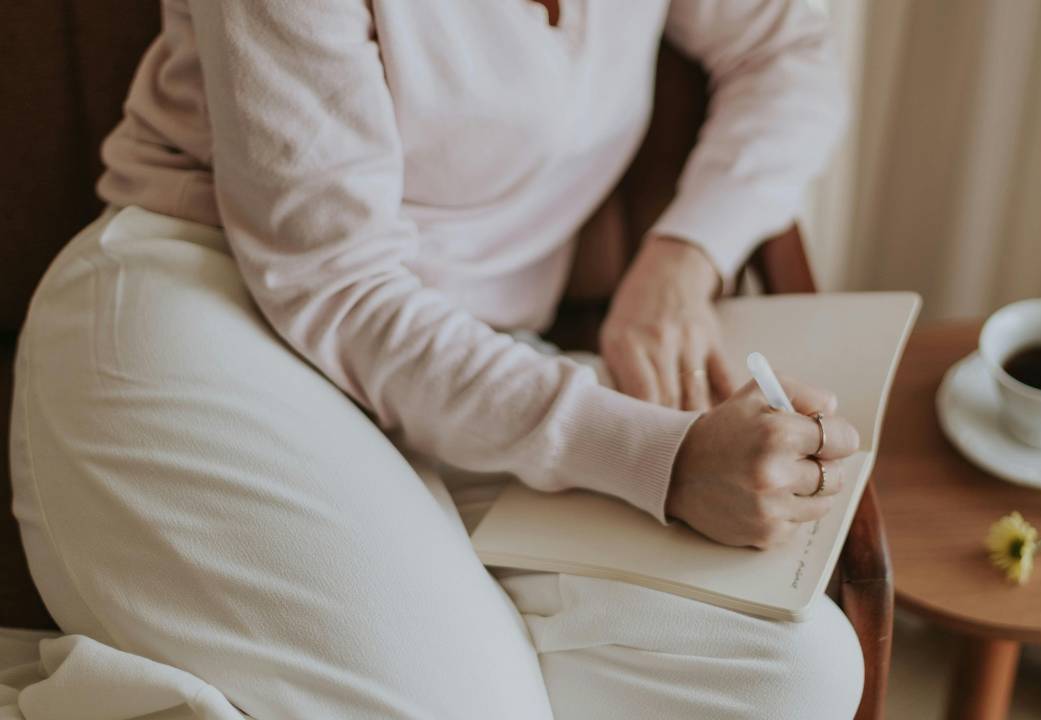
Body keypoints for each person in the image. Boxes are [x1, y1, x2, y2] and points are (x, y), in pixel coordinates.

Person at [10, 1, 862, 717]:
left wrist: (683, 257)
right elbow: (336, 286)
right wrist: (657, 459)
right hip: (209, 306)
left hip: (474, 365)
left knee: (797, 675)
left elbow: (788, 47)